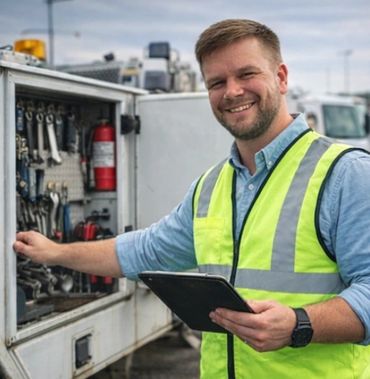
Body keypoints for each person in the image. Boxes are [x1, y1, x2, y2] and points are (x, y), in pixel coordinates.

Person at [13, 19, 370, 379]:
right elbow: (144, 251)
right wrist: (56, 252)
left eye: (246, 74)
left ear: (280, 77)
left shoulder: (345, 174)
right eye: (217, 82)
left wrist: (298, 324)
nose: (232, 92)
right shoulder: (213, 185)